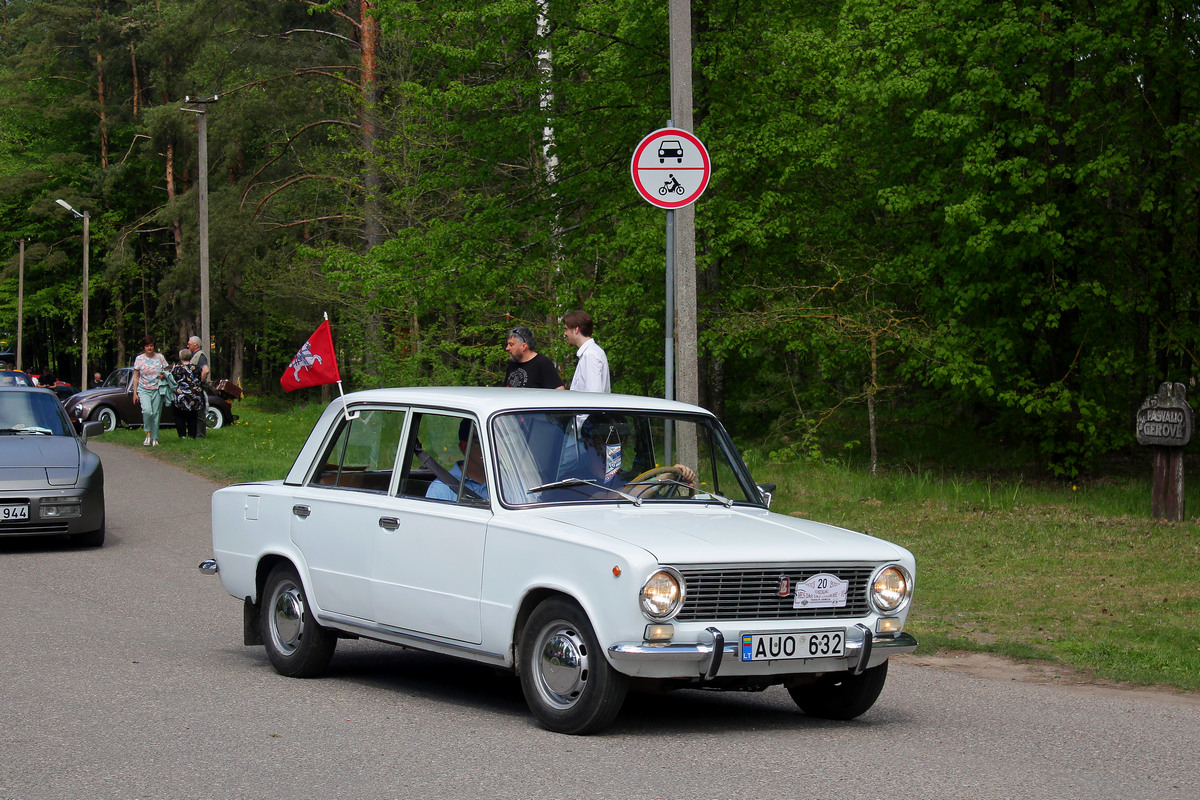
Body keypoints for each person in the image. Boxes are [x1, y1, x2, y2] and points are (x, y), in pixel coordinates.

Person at [425, 419, 488, 502]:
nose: (495, 449)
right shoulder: (441, 489)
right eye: (484, 443)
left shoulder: (506, 480)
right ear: (465, 447)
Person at [132, 335, 169, 446]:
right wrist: (134, 392)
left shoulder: (160, 357)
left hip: (157, 389)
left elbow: (167, 371)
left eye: (151, 346)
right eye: (147, 346)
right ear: (144, 348)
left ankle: (154, 438)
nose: (149, 348)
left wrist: (163, 375)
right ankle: (147, 434)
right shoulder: (139, 359)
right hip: (144, 389)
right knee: (147, 411)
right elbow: (136, 376)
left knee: (156, 414)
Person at [563, 309, 610, 392]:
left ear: (576, 330)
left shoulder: (591, 355)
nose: (565, 333)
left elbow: (593, 395)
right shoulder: (590, 353)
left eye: (566, 329)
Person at [171, 349, 204, 438]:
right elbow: (200, 378)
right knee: (193, 416)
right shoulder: (196, 368)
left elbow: (172, 379)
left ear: (181, 357)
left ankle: (182, 435)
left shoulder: (177, 369)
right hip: (194, 395)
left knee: (179, 416)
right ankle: (192, 435)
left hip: (180, 396)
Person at [186, 336, 210, 437]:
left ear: (196, 345)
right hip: (195, 389)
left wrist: (198, 381)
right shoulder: (194, 355)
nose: (187, 346)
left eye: (189, 344)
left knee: (200, 413)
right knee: (195, 412)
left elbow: (206, 370)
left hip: (199, 388)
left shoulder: (200, 356)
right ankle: (195, 434)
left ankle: (201, 435)